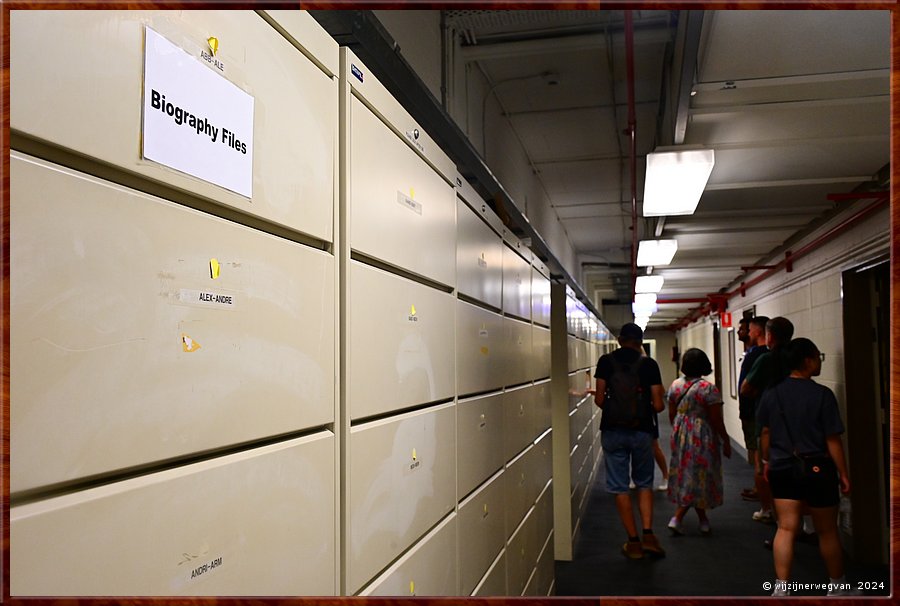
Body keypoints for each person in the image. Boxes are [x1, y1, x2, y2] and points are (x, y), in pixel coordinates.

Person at [757, 338, 856, 596]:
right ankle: (837, 587)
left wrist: (767, 462)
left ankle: (781, 589)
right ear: (808, 360)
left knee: (786, 528)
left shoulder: (772, 393)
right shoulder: (822, 395)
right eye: (817, 357)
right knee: (827, 530)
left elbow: (765, 434)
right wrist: (843, 473)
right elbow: (832, 440)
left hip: (782, 467)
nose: (819, 362)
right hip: (817, 468)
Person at [594, 322, 666, 559]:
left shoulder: (606, 362)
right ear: (640, 342)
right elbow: (658, 404)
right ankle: (648, 535)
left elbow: (600, 400)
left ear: (619, 339)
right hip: (642, 431)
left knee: (620, 486)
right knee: (644, 483)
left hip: (613, 431)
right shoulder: (649, 364)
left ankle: (633, 541)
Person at [665, 348, 732, 535]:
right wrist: (725, 440)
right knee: (699, 474)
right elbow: (716, 419)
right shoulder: (708, 389)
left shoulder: (675, 385)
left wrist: (679, 429)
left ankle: (703, 519)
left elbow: (672, 413)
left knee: (688, 473)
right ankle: (677, 517)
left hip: (680, 432)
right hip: (701, 434)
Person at [740, 316, 794, 523]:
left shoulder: (765, 359)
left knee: (763, 466)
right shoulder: (795, 356)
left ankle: (768, 510)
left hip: (768, 418)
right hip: (795, 418)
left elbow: (746, 388)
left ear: (769, 335)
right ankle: (799, 516)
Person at [738, 316, 769, 501]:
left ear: (757, 331)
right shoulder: (760, 354)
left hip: (753, 411)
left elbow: (747, 387)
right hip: (755, 410)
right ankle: (762, 493)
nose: (747, 333)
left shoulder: (757, 355)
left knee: (758, 455)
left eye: (749, 329)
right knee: (759, 454)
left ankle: (765, 503)